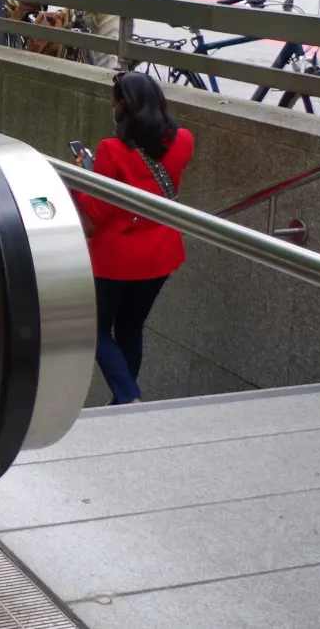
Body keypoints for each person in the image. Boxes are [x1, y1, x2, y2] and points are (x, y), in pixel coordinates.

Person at [71, 73, 194, 404]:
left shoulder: (111, 150)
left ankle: (128, 397)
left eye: (115, 103)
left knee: (95, 329)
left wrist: (82, 178)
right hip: (160, 254)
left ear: (124, 107)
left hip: (116, 259)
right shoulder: (183, 140)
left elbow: (97, 213)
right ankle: (124, 404)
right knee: (131, 327)